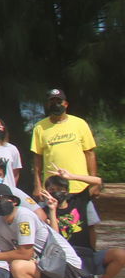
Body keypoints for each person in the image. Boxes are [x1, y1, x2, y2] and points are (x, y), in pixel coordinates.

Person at [30, 89, 100, 253]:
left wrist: (93, 181)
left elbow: (89, 153)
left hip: (80, 187)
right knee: (55, 226)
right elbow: (37, 159)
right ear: (48, 105)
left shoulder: (80, 123)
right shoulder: (40, 127)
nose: (56, 104)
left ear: (66, 104)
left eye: (59, 101)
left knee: (87, 225)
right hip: (53, 189)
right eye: (52, 101)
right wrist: (37, 184)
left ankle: (91, 259)